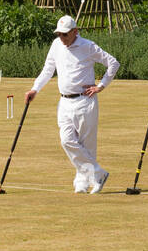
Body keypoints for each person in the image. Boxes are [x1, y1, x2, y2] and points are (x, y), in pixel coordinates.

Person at [26, 15, 120, 193]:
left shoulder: (88, 46)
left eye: (65, 34)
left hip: (85, 101)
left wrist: (101, 86)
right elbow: (48, 70)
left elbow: (113, 63)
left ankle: (83, 182)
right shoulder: (56, 45)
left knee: (87, 146)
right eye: (59, 34)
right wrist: (34, 89)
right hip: (64, 102)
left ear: (75, 32)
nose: (62, 38)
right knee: (67, 140)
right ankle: (98, 174)